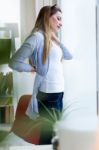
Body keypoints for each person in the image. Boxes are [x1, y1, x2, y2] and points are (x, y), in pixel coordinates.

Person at [9, 4, 72, 144]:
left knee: (55, 133)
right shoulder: (37, 37)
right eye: (58, 18)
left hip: (58, 92)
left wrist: (56, 40)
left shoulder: (52, 39)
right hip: (48, 94)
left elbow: (69, 56)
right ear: (47, 17)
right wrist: (32, 68)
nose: (61, 23)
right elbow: (14, 62)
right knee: (49, 135)